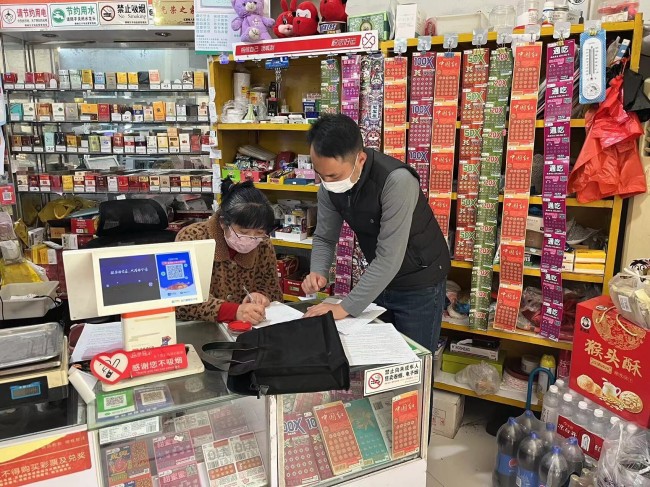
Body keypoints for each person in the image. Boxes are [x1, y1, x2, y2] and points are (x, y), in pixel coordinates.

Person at [302, 114, 450, 354]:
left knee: (414, 361)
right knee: (381, 357)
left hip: (420, 282)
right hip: (381, 280)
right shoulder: (328, 187)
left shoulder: (397, 181)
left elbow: (389, 258)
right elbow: (324, 237)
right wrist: (318, 270)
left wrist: (344, 307)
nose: (326, 183)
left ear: (360, 159)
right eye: (321, 175)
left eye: (333, 176)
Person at [176, 179, 282, 325]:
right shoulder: (192, 238)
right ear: (223, 222)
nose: (251, 239)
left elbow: (274, 291)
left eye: (259, 232)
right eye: (243, 232)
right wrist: (234, 311)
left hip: (247, 329)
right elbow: (181, 300)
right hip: (201, 327)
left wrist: (261, 297)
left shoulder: (263, 244)